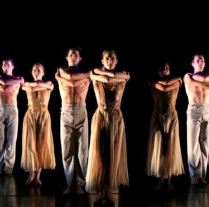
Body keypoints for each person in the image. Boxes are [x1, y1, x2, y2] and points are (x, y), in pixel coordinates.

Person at [86, 49, 130, 195]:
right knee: (101, 150)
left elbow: (116, 79)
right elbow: (109, 80)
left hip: (116, 117)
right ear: (102, 61)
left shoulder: (123, 75)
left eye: (112, 58)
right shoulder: (95, 74)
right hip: (101, 116)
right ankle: (100, 184)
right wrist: (113, 76)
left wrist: (116, 76)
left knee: (114, 151)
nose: (110, 61)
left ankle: (111, 184)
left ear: (116, 61)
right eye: (107, 58)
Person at [55, 48, 90, 194]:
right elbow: (70, 80)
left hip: (81, 110)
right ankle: (70, 183)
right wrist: (63, 77)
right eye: (71, 55)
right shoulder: (62, 70)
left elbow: (72, 83)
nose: (73, 57)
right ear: (67, 57)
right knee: (67, 149)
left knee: (82, 150)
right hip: (66, 110)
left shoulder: (86, 73)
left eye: (76, 55)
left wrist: (60, 78)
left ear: (80, 58)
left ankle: (80, 183)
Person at [146, 62, 184, 190]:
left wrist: (177, 80)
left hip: (172, 117)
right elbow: (165, 87)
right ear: (158, 71)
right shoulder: (153, 83)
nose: (165, 70)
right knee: (159, 146)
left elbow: (168, 85)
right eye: (162, 68)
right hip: (158, 117)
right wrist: (178, 78)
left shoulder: (177, 83)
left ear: (170, 70)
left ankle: (168, 180)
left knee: (170, 146)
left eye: (167, 68)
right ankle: (160, 180)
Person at [184, 54, 209, 184]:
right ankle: (194, 175)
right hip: (194, 110)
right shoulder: (188, 76)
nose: (201, 61)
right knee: (193, 144)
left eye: (202, 59)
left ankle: (201, 175)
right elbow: (204, 81)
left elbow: (206, 81)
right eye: (198, 60)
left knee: (205, 143)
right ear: (192, 63)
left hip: (206, 110)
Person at [21, 63, 56, 185]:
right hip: (30, 115)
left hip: (43, 116)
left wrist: (35, 85)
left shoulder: (49, 83)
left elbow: (42, 86)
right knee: (31, 144)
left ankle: (38, 176)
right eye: (34, 70)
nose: (36, 72)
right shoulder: (26, 84)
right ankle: (31, 173)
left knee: (41, 145)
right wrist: (37, 85)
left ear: (43, 72)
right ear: (31, 72)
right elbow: (28, 88)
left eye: (39, 70)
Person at [0, 58, 24, 175]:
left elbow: (7, 87)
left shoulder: (17, 78)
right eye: (4, 64)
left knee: (11, 139)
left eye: (8, 65)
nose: (5, 66)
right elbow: (5, 86)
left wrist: (18, 80)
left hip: (12, 108)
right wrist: (18, 81)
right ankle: (0, 165)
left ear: (12, 66)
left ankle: (8, 167)